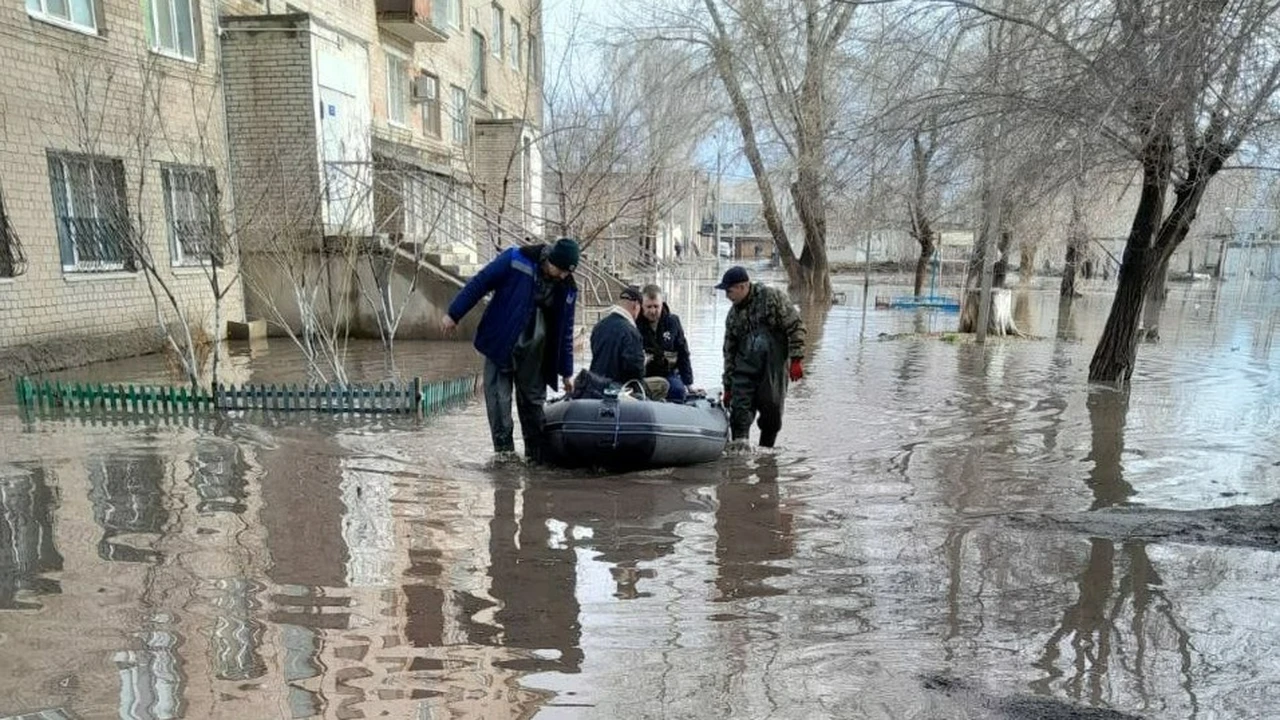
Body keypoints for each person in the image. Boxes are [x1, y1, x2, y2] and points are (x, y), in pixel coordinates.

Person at [442, 237, 580, 462]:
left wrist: (566, 372)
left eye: (568, 272)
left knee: (534, 410)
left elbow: (566, 331)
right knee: (499, 406)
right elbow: (481, 282)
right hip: (501, 344)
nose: (564, 275)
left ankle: (536, 462)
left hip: (536, 354)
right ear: (551, 260)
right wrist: (454, 313)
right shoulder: (516, 259)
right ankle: (504, 459)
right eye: (561, 269)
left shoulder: (568, 288)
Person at [717, 265, 806, 448]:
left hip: (772, 368)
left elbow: (795, 325)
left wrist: (796, 359)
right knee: (739, 415)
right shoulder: (733, 316)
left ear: (743, 286)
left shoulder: (772, 298)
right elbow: (729, 353)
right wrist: (728, 387)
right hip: (744, 371)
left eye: (729, 290)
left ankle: (767, 460)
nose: (727, 295)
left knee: (772, 415)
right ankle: (739, 463)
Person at [589, 286, 669, 399]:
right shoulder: (631, 332)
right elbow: (636, 372)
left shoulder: (599, 326)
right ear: (636, 305)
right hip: (619, 389)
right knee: (662, 384)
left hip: (595, 386)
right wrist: (643, 361)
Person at [637, 284, 694, 401]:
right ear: (642, 305)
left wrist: (689, 383)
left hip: (668, 373)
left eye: (656, 306)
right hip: (644, 374)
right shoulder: (634, 324)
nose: (653, 311)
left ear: (662, 304)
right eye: (649, 307)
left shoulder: (672, 322)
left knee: (678, 391)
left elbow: (683, 352)